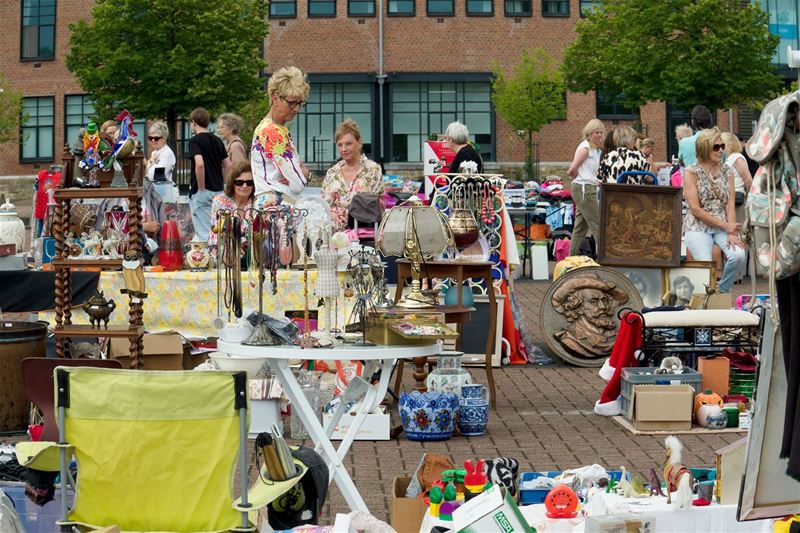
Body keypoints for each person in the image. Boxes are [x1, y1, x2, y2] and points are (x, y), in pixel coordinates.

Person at [682, 127, 746, 293]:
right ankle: (705, 303)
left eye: (722, 146)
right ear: (705, 149)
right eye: (716, 147)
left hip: (722, 225)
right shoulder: (691, 172)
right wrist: (726, 226)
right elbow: (695, 209)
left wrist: (732, 231)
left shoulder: (728, 171)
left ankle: (722, 291)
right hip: (697, 225)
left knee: (738, 255)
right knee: (705, 264)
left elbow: (730, 204)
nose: (721, 150)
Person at [251, 66, 310, 209]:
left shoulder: (269, 129)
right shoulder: (272, 133)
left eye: (300, 103)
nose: (296, 109)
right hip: (277, 208)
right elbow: (298, 184)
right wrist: (303, 173)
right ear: (275, 98)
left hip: (272, 205)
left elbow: (298, 176)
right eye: (291, 103)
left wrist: (302, 174)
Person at [322, 118, 384, 230]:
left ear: (359, 143)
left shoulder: (373, 170)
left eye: (348, 144)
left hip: (364, 233)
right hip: (334, 234)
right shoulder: (332, 173)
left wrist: (350, 216)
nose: (343, 149)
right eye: (340, 145)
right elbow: (324, 206)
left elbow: (379, 207)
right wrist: (332, 215)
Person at [552, 274, 628, 358]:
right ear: (578, 308)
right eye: (593, 301)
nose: (603, 306)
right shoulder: (570, 340)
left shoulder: (615, 336)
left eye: (604, 300)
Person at [189, 107, 230, 241]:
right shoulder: (218, 140)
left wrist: (201, 187)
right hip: (218, 190)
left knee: (204, 232)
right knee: (217, 229)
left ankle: (207, 259)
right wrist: (223, 183)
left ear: (194, 122)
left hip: (202, 190)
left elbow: (199, 164)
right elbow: (228, 165)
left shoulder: (195, 141)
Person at [567, 119, 605, 257]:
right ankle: (604, 257)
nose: (599, 135)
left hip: (588, 188)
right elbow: (571, 170)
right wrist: (580, 177)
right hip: (584, 189)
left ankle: (571, 257)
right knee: (598, 224)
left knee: (580, 228)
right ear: (589, 133)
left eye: (601, 132)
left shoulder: (595, 149)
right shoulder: (585, 149)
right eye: (596, 132)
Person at [209, 160, 255, 257]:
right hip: (224, 256)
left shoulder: (257, 203)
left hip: (252, 257)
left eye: (249, 182)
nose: (245, 186)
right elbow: (218, 233)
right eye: (239, 182)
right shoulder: (220, 201)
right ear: (232, 182)